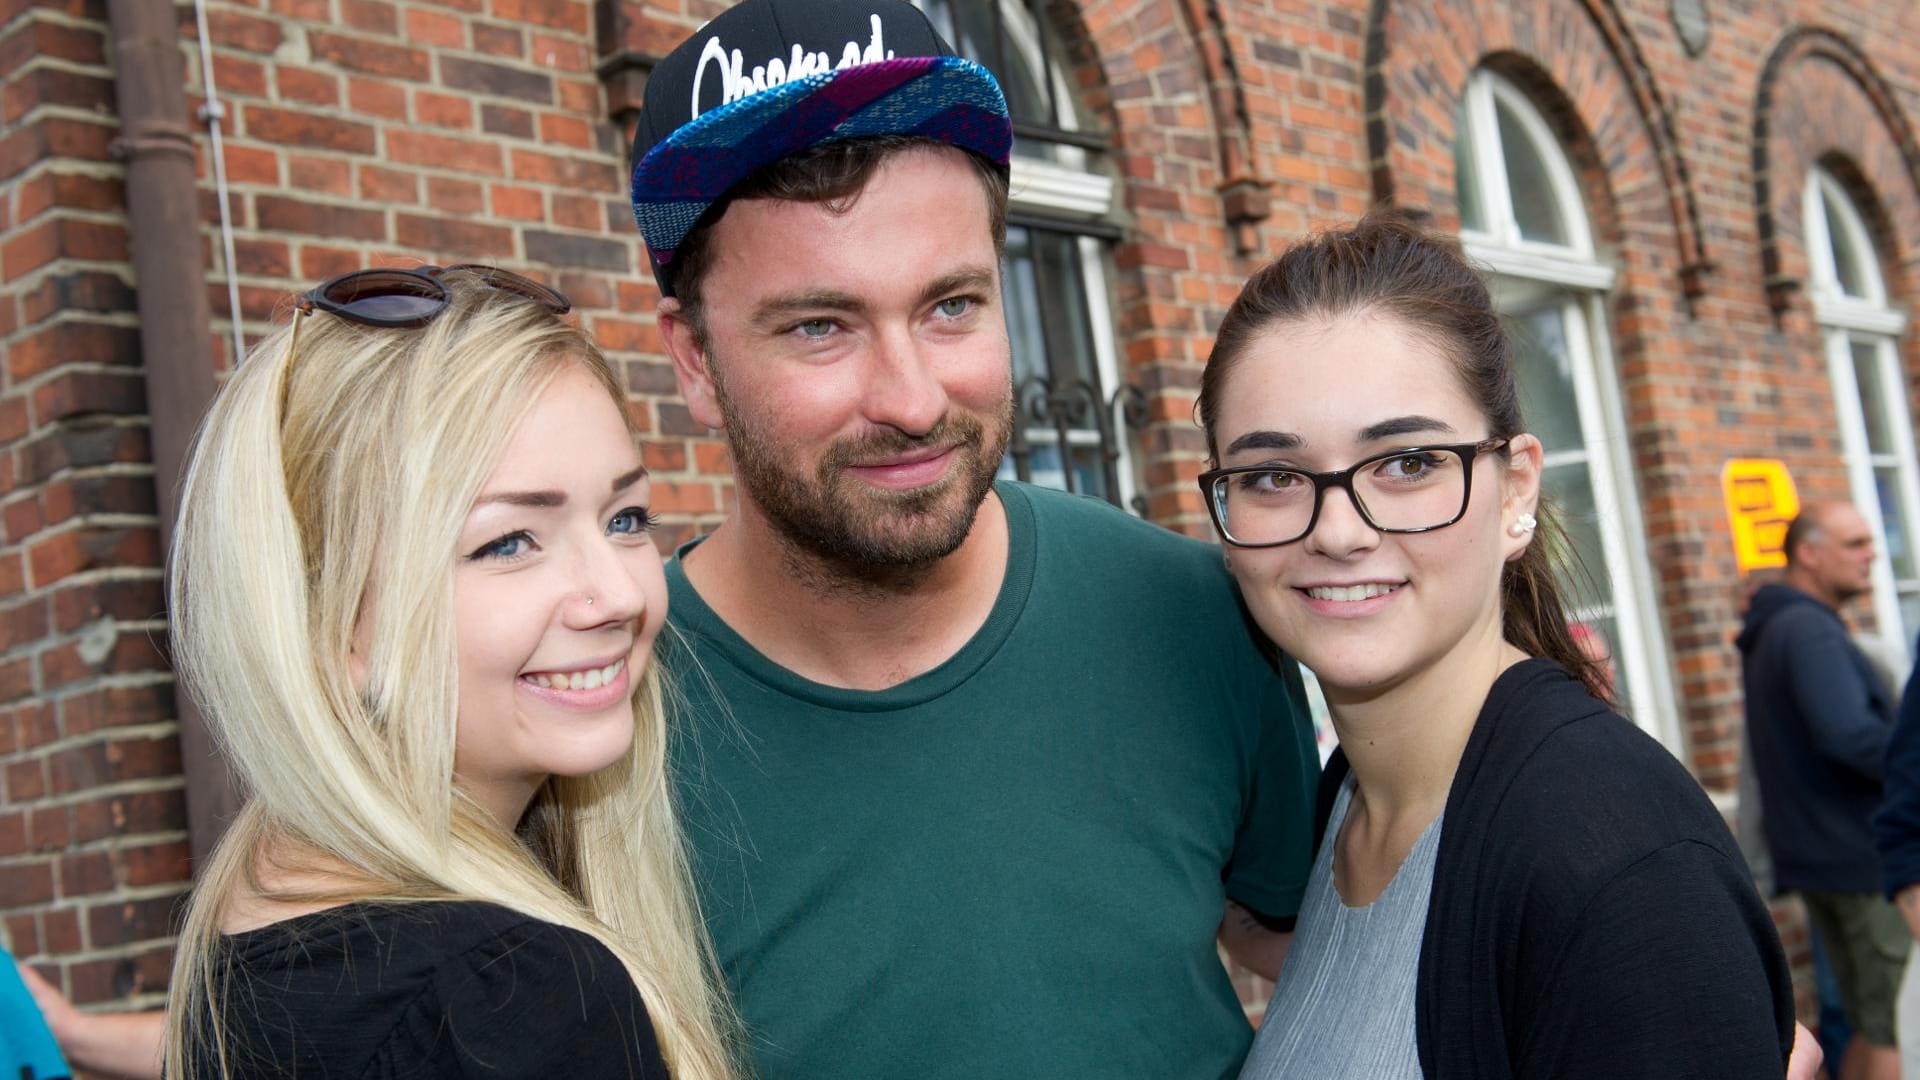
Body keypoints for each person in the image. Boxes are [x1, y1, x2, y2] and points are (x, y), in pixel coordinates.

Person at [630, 1, 1318, 1075]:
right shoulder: (603, 724)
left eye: (951, 306)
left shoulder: (1191, 616)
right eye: (821, 326)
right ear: (691, 359)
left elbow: (1317, 943)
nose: (910, 398)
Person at [29, 268, 738, 1079]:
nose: (617, 594)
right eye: (508, 542)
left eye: (625, 518)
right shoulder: (506, 996)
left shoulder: (257, 919)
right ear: (332, 625)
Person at [1193, 212, 1796, 1078]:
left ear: (1515, 490)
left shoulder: (1615, 862)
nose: (1336, 531)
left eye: (1406, 463)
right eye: (1272, 478)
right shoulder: (1353, 808)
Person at [1742, 502, 1906, 1080]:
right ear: (1808, 554)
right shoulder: (1807, 628)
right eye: (1856, 543)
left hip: (1824, 858)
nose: (1872, 555)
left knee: (1864, 1021)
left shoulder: (1779, 626)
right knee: (1893, 1025)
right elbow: (1850, 737)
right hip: (1861, 859)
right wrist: (1909, 762)